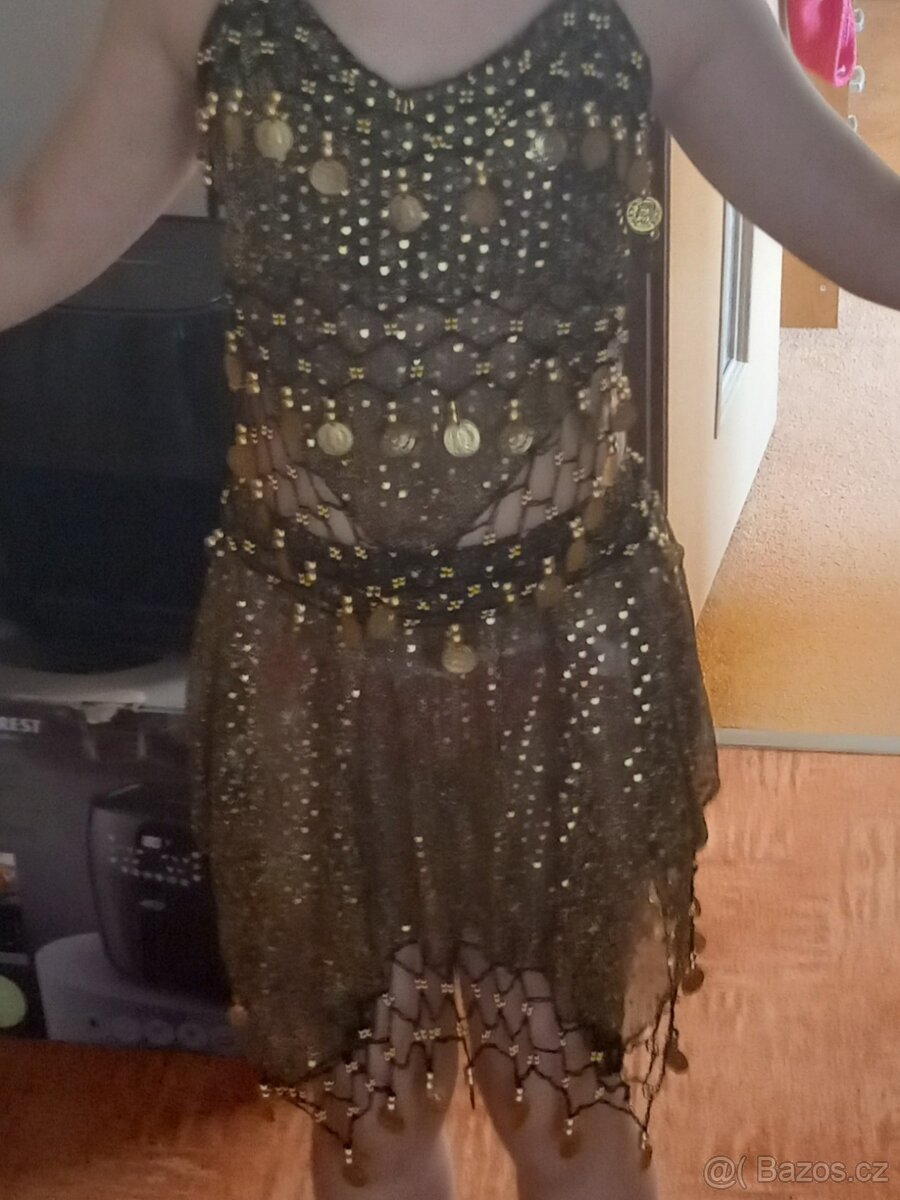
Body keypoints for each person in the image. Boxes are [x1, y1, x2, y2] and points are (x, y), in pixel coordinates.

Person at [1, 2, 899, 1198]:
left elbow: (872, 227)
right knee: (374, 1107)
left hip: (557, 655)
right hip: (308, 656)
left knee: (559, 1101)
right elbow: (31, 234)